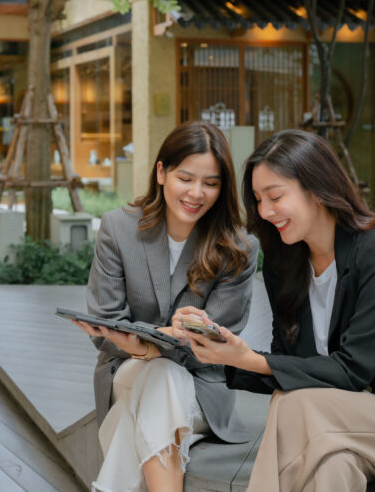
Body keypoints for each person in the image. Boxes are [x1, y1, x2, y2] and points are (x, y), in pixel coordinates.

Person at [180, 129, 375, 492]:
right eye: (257, 199)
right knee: (332, 465)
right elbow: (289, 365)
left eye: (275, 196)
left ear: (317, 190)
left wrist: (249, 359)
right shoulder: (284, 265)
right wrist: (221, 354)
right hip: (334, 428)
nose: (264, 211)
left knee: (294, 402)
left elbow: (353, 369)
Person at [73, 121, 260, 492]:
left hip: (200, 388)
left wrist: (148, 342)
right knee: (158, 376)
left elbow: (218, 347)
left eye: (211, 183)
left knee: (163, 379)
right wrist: (154, 343)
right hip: (126, 371)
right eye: (185, 178)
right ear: (161, 172)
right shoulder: (118, 228)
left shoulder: (238, 247)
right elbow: (107, 326)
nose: (197, 193)